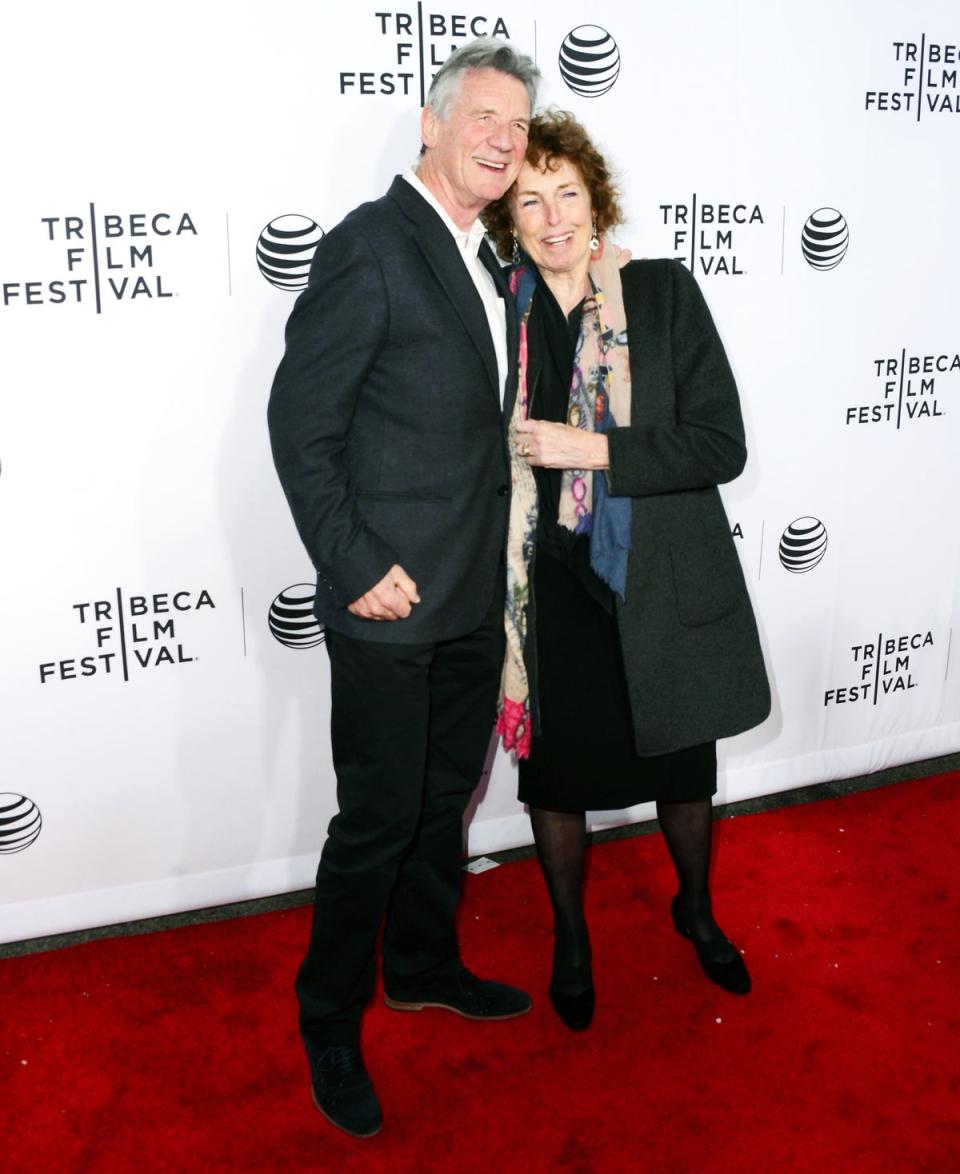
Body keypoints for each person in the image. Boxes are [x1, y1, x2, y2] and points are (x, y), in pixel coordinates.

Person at [267, 39, 540, 1138]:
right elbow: (301, 426)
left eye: (518, 126)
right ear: (429, 125)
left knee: (443, 803)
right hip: (387, 601)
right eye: (482, 115)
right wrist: (353, 564)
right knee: (377, 820)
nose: (503, 139)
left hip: (472, 594)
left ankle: (422, 962)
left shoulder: (491, 257)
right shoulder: (371, 247)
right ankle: (328, 1016)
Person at [481, 111, 771, 1031]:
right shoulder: (502, 315)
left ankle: (696, 908)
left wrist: (593, 448)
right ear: (510, 220)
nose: (553, 216)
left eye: (568, 193)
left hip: (660, 579)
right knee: (559, 781)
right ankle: (571, 935)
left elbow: (718, 444)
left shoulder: (661, 293)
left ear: (596, 202)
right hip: (554, 586)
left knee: (685, 771)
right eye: (531, 199)